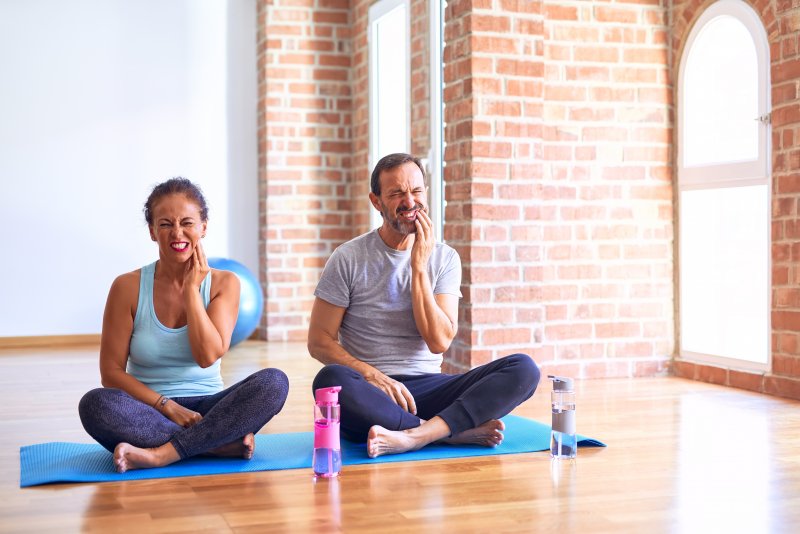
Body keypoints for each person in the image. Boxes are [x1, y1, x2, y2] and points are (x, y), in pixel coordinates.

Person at [308, 153, 540, 458]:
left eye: (416, 191)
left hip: (430, 389)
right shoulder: (348, 258)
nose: (409, 202)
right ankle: (446, 434)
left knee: (523, 369)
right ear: (376, 201)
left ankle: (417, 435)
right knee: (330, 381)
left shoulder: (444, 259)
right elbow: (318, 341)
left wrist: (418, 267)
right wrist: (372, 375)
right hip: (372, 392)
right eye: (396, 194)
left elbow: (438, 341)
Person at [79, 177, 289, 473]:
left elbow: (207, 357)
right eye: (165, 224)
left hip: (209, 408)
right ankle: (215, 444)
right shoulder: (127, 286)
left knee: (274, 383)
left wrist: (191, 291)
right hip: (149, 410)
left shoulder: (224, 283)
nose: (177, 233)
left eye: (187, 223)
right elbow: (111, 373)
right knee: (95, 405)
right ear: (152, 231)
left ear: (203, 227)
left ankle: (161, 454)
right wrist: (166, 405)